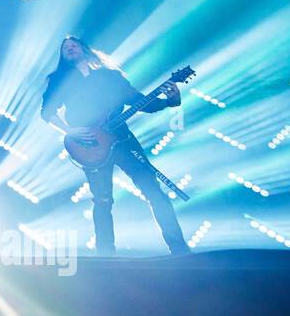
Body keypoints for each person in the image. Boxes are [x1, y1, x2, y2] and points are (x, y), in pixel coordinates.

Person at [40, 36, 189, 256]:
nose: (69, 47)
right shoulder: (58, 81)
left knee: (154, 191)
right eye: (64, 48)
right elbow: (47, 112)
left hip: (123, 140)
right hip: (88, 142)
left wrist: (170, 101)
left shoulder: (110, 77)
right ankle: (105, 256)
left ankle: (179, 249)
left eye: (73, 44)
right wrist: (69, 131)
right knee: (102, 201)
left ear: (84, 49)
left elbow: (140, 101)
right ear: (62, 56)